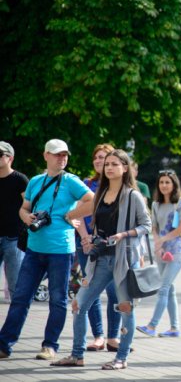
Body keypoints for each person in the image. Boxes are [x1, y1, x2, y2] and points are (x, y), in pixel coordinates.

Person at [51, 149, 152, 369]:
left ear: (125, 168)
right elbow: (74, 216)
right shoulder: (99, 195)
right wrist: (88, 238)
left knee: (125, 308)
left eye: (115, 164)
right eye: (107, 164)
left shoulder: (133, 195)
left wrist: (123, 235)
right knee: (79, 304)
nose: (109, 167)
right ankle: (77, 356)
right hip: (100, 260)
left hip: (123, 259)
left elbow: (146, 225)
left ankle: (121, 358)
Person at [0, 139, 94, 361]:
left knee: (57, 298)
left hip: (61, 250)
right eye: (57, 154)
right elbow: (24, 208)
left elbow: (92, 199)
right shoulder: (35, 181)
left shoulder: (71, 181)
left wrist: (71, 215)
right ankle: (4, 345)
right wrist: (26, 217)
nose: (62, 158)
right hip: (34, 248)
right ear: (46, 156)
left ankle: (50, 345)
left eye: (64, 155)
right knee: (21, 297)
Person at [74, 143, 122, 352]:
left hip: (113, 245)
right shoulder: (87, 184)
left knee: (115, 292)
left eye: (103, 157)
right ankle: (98, 336)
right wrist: (85, 239)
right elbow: (78, 214)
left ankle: (113, 337)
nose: (99, 161)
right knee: (90, 290)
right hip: (87, 244)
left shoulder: (120, 186)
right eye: (96, 158)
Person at [137, 169, 181, 337]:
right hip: (161, 251)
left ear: (174, 184)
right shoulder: (155, 204)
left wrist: (163, 240)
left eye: (167, 182)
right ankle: (175, 328)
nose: (164, 185)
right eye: (161, 182)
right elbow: (154, 227)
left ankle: (152, 326)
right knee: (170, 289)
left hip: (176, 251)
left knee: (163, 287)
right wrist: (158, 245)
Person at [0, 141, 28, 299]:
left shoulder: (20, 180)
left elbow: (29, 207)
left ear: (10, 158)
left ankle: (15, 322)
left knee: (15, 285)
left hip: (14, 238)